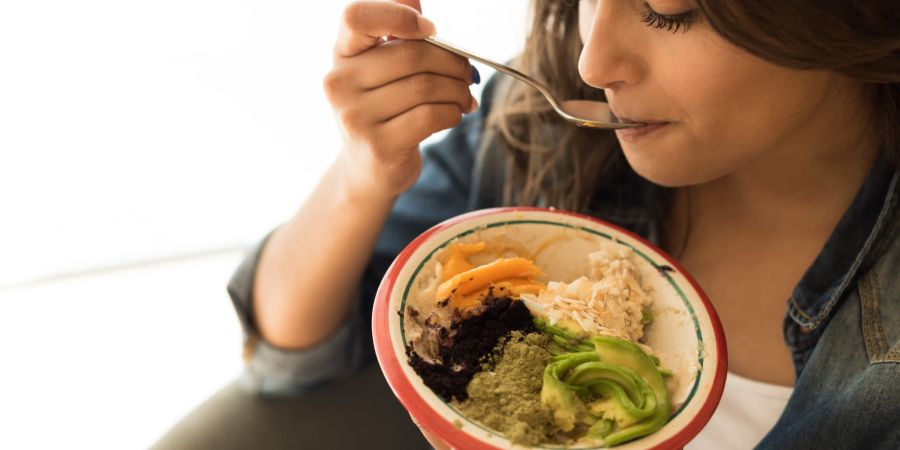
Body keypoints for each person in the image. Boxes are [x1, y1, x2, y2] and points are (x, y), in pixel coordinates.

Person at [152, 0, 900, 448]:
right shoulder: (543, 134)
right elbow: (288, 360)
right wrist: (364, 175)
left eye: (670, 9)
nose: (593, 57)